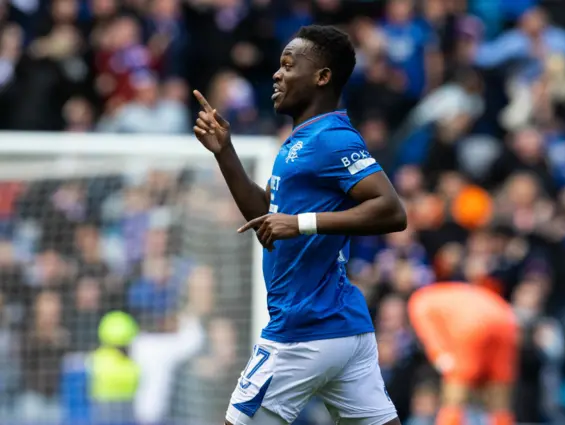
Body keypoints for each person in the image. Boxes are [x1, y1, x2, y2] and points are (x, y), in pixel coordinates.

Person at [192, 25, 406, 425]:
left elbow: (392, 211)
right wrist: (225, 154)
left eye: (289, 66)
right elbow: (268, 220)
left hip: (302, 329)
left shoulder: (332, 139)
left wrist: (302, 223)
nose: (277, 74)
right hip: (343, 326)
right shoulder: (299, 142)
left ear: (323, 77)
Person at [407, 282, 520, 425]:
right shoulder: (448, 293)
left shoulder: (417, 302)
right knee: (500, 400)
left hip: (470, 324)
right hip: (506, 319)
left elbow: (431, 336)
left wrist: (444, 362)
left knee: (455, 398)